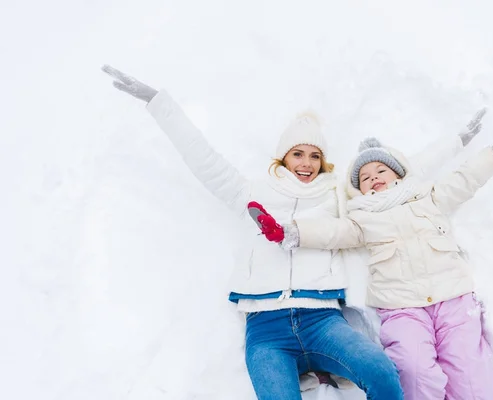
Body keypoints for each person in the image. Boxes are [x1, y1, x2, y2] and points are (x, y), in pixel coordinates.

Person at [101, 64, 405, 400]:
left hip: (324, 322)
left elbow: (389, 189)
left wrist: (385, 159)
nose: (306, 163)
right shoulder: (251, 192)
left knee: (381, 373)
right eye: (298, 154)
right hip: (266, 330)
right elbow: (203, 158)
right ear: (284, 157)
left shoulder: (334, 194)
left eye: (315, 156)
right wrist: (158, 103)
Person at [253, 105, 493, 399]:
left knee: (471, 372)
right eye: (365, 177)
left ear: (398, 173)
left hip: (453, 299)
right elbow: (332, 233)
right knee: (413, 369)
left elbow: (465, 178)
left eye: (381, 170)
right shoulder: (361, 219)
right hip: (402, 309)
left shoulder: (429, 198)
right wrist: (290, 232)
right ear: (358, 190)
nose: (374, 177)